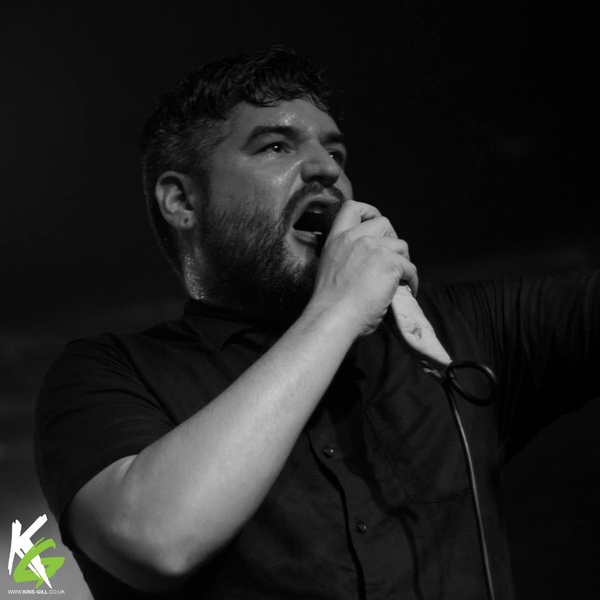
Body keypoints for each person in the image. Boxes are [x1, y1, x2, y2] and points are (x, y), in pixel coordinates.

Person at [35, 45, 599, 599]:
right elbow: (157, 539)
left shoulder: (460, 331)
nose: (327, 169)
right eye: (276, 146)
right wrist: (337, 310)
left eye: (335, 152)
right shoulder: (108, 374)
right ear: (183, 201)